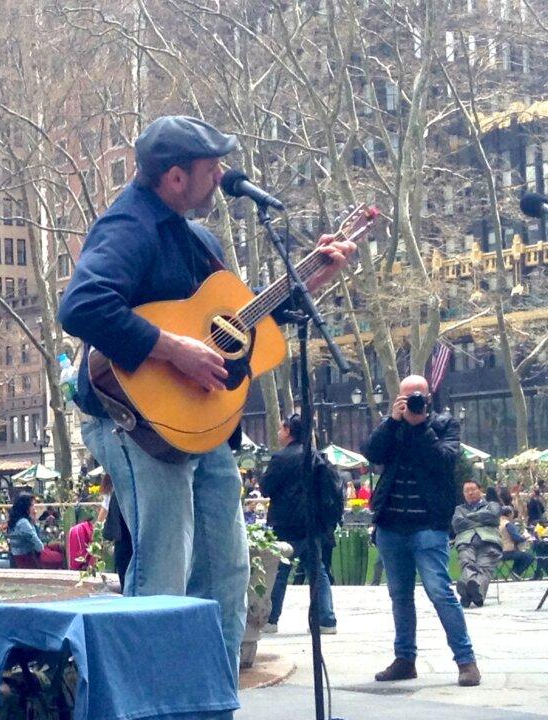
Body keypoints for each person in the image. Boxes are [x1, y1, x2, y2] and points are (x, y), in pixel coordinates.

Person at [57, 114, 356, 674]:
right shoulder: (129, 226)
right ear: (174, 177)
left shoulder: (198, 238)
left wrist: (309, 283)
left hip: (203, 426)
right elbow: (81, 307)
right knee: (163, 567)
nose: (223, 174)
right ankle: (148, 699)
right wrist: (172, 350)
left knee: (227, 564)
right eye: (211, 165)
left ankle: (211, 696)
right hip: (135, 420)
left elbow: (239, 325)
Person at [362, 374, 479, 687]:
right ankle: (404, 659)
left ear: (429, 398)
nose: (413, 401)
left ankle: (466, 660)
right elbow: (371, 453)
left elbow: (444, 461)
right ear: (398, 398)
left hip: (428, 525)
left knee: (439, 591)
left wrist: (420, 425)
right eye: (407, 396)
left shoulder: (444, 425)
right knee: (399, 595)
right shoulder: (393, 425)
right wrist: (392, 421)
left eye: (418, 396)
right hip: (391, 525)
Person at [260, 414, 337, 635]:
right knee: (317, 570)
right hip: (312, 523)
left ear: (288, 431)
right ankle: (326, 620)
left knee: (280, 570)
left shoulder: (281, 458)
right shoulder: (316, 457)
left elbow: (266, 487)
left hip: (285, 524)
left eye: (280, 428)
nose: (278, 432)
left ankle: (271, 618)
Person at [451, 479, 503, 607]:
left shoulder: (492, 505)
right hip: (466, 541)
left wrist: (469, 517)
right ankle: (475, 593)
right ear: (463, 494)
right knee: (467, 561)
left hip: (489, 541)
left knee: (484, 566)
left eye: (473, 490)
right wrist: (481, 520)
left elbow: (492, 515)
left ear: (480, 491)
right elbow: (457, 524)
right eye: (466, 491)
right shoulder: (459, 509)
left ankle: (467, 590)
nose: (470, 493)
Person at [6, 493, 64, 569]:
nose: (34, 508)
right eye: (32, 505)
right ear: (26, 508)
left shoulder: (14, 522)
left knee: (58, 546)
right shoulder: (24, 523)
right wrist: (33, 521)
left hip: (21, 558)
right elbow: (40, 547)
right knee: (62, 553)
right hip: (31, 559)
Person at [499, 506, 534, 579]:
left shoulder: (497, 523)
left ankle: (514, 573)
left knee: (520, 555)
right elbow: (516, 538)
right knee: (528, 556)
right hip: (507, 551)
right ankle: (516, 572)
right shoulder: (508, 524)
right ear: (509, 514)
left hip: (497, 551)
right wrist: (525, 537)